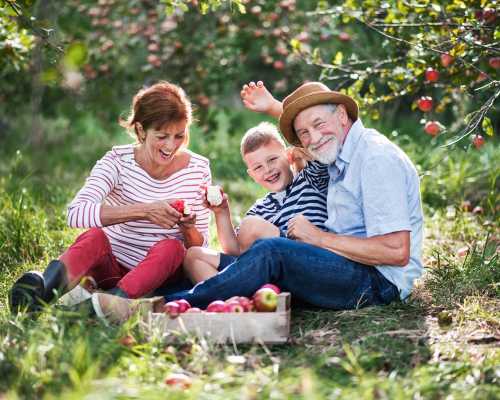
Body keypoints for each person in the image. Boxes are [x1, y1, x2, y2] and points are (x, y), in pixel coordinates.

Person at [157, 80, 424, 310]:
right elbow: (305, 136)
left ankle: (171, 304)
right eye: (304, 133)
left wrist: (318, 238)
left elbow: (396, 251)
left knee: (271, 251)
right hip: (343, 264)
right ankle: (218, 303)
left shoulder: (374, 159)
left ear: (342, 115)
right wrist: (276, 108)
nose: (314, 138)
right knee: (246, 256)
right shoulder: (340, 155)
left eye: (319, 124)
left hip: (378, 282)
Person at [9, 81, 211, 313]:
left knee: (172, 248)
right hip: (112, 268)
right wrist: (145, 210)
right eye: (162, 136)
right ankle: (40, 295)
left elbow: (199, 247)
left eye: (179, 135)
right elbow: (76, 213)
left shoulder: (198, 169)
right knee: (94, 237)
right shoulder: (117, 161)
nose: (171, 145)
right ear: (141, 130)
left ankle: (107, 307)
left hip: (162, 276)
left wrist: (188, 228)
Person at [183, 121, 329, 284]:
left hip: (305, 264)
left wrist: (300, 157)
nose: (267, 170)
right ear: (251, 175)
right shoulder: (260, 208)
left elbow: (314, 150)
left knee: (251, 226)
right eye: (258, 167)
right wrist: (221, 212)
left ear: (288, 156)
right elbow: (234, 250)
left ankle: (235, 288)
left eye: (272, 159)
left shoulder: (310, 180)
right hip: (266, 270)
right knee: (194, 256)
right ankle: (232, 302)